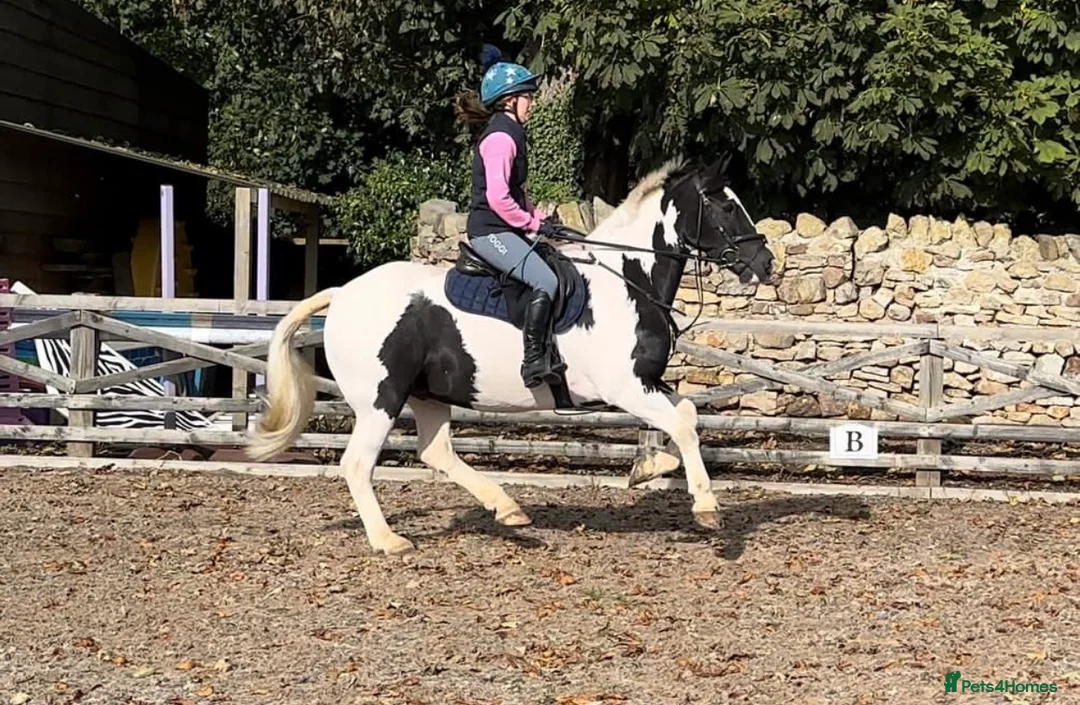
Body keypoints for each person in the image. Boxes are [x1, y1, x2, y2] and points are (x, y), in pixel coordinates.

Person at [454, 44, 565, 389]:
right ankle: (533, 362)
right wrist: (532, 224)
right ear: (509, 101)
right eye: (527, 97)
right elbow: (499, 199)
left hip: (505, 230)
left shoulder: (512, 132)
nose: (532, 103)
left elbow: (518, 191)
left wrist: (539, 215)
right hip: (490, 233)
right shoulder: (501, 137)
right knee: (546, 282)